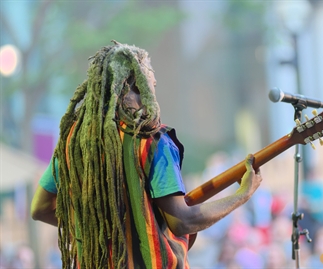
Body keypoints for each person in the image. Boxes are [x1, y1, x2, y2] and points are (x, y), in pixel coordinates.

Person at [31, 40, 262, 269]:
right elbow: (183, 220)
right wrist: (242, 194)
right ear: (135, 83)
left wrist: (96, 231)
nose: (155, 84)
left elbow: (39, 208)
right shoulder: (151, 141)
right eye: (150, 76)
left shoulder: (75, 144)